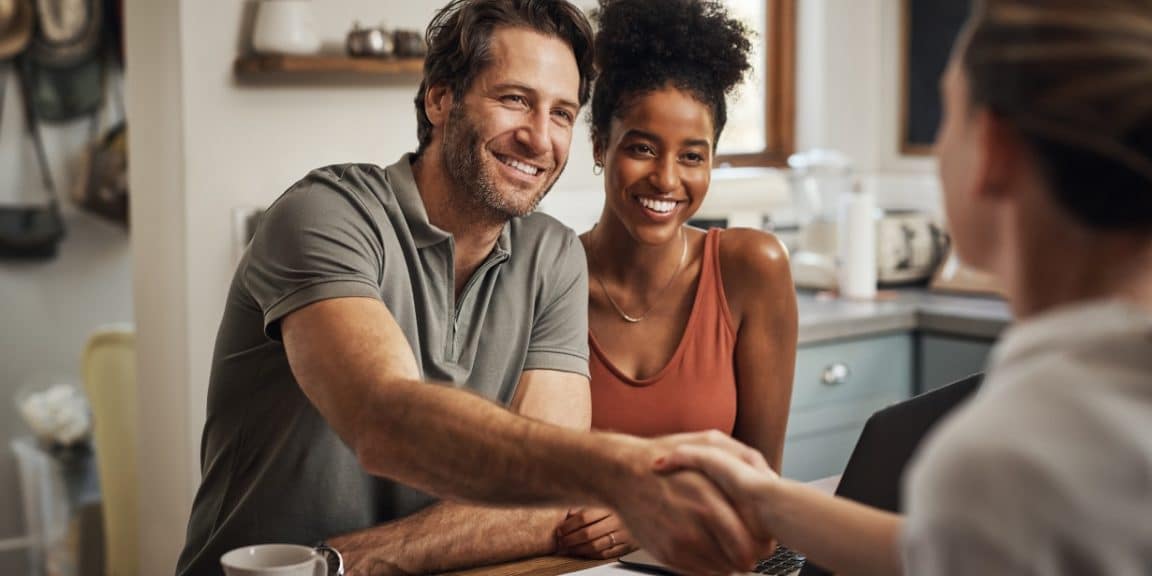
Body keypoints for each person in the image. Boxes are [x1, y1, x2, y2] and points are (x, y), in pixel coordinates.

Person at [175, 1, 763, 575]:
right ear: (440, 98)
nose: (539, 137)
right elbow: (384, 421)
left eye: (561, 113)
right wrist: (624, 468)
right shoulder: (324, 216)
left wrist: (346, 562)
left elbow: (546, 500)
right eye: (514, 100)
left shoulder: (552, 256)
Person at [658, 0, 1152, 574]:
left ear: (991, 149)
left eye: (946, 117)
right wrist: (766, 500)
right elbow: (945, 552)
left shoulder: (1006, 459)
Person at [554, 0, 798, 560]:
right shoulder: (550, 275)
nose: (666, 179)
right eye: (641, 148)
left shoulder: (752, 269)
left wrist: (643, 512)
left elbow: (762, 486)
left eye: (693, 156)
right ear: (599, 146)